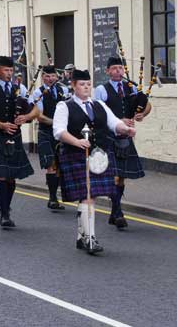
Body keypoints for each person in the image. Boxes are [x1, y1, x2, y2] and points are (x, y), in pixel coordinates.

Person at [54, 69, 136, 254]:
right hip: (76, 154)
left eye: (89, 84)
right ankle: (89, 239)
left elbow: (113, 123)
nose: (86, 87)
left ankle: (81, 235)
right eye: (82, 84)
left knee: (90, 195)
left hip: (99, 156)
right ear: (73, 85)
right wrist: (76, 141)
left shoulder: (99, 104)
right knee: (88, 195)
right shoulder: (64, 106)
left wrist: (126, 129)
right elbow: (59, 131)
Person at [0, 56, 38, 228]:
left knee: (11, 177)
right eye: (6, 70)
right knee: (2, 175)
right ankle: (4, 213)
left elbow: (36, 109)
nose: (9, 73)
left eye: (11, 70)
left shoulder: (20, 88)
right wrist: (2, 125)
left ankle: (5, 206)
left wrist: (26, 117)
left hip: (14, 137)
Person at [94, 56, 152, 229]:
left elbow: (147, 104)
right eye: (114, 68)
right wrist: (119, 121)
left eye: (120, 68)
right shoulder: (101, 90)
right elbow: (97, 114)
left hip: (125, 138)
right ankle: (118, 213)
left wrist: (142, 114)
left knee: (121, 179)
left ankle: (114, 212)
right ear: (107, 71)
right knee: (115, 176)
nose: (118, 71)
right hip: (109, 137)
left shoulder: (131, 87)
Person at [29, 65, 68, 210]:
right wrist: (56, 123)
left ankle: (60, 195)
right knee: (51, 164)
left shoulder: (64, 90)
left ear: (56, 77)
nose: (50, 78)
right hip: (46, 132)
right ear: (42, 77)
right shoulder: (38, 93)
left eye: (53, 76)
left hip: (62, 133)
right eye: (47, 76)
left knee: (59, 165)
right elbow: (39, 116)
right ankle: (52, 198)